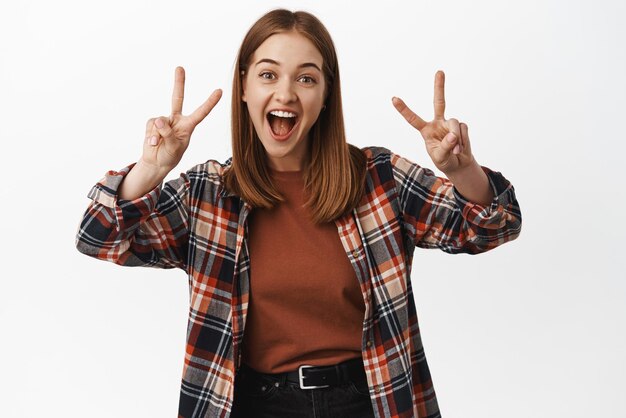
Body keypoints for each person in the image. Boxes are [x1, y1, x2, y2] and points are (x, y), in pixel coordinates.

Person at [75, 8, 521, 418]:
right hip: (250, 404)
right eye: (268, 75)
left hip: (372, 401)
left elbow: (491, 229)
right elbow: (98, 237)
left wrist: (463, 172)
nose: (285, 92)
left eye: (306, 79)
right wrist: (152, 169)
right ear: (245, 87)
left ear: (326, 94)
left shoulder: (378, 179)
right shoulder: (208, 193)